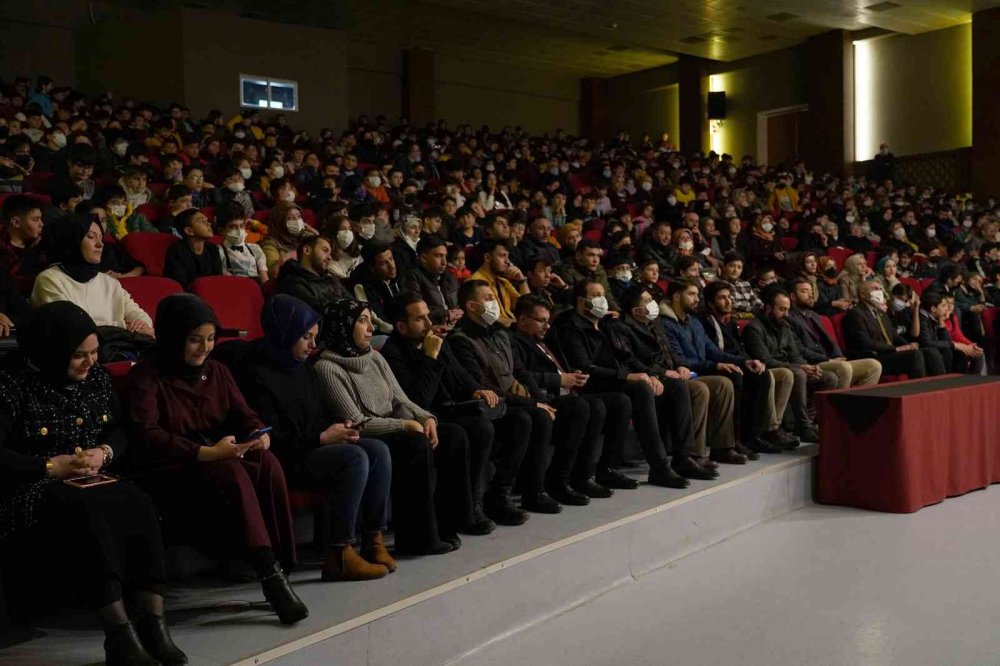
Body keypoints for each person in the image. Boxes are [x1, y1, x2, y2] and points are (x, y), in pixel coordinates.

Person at [0, 302, 187, 666]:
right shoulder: (10, 384)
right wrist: (52, 466)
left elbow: (119, 430)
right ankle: (118, 632)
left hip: (90, 474)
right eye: (78, 356)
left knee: (138, 502)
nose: (90, 363)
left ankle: (153, 620)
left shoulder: (96, 377)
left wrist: (104, 452)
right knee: (88, 512)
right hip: (30, 485)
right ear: (51, 352)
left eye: (94, 353)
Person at [127, 294, 307, 625]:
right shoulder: (147, 376)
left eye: (210, 339)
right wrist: (207, 453)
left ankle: (283, 565)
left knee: (267, 464)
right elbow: (148, 436)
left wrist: (258, 433)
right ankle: (270, 576)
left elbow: (246, 415)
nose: (204, 348)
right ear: (173, 337)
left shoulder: (219, 371)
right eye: (194, 340)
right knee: (229, 470)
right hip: (169, 467)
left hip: (217, 456)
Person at [230, 295, 395, 581]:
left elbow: (314, 414)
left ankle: (373, 538)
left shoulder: (301, 366)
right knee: (354, 457)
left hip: (312, 444)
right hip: (286, 457)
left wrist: (339, 428)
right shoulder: (255, 374)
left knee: (377, 450)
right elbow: (272, 437)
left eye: (314, 337)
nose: (313, 345)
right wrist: (321, 437)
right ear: (286, 332)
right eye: (306, 336)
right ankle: (339, 552)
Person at [314, 299, 474, 554]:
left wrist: (426, 418)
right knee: (415, 444)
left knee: (452, 434)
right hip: (371, 434)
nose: (370, 328)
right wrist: (406, 424)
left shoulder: (374, 358)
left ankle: (447, 523)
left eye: (370, 321)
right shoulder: (327, 368)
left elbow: (402, 398)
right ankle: (416, 538)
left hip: (395, 425)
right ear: (343, 327)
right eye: (362, 321)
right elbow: (357, 422)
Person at [379, 294, 509, 527]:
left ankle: (479, 502)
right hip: (420, 418)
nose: (429, 324)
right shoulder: (392, 353)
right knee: (470, 431)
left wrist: (475, 391)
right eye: (420, 319)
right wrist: (430, 358)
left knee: (502, 421)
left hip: (447, 410)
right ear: (401, 326)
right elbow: (416, 402)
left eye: (428, 316)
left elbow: (460, 377)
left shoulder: (436, 341)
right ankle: (461, 510)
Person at [550, 279, 690, 489]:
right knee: (637, 392)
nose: (602, 300)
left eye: (603, 294)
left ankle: (682, 456)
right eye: (596, 295)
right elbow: (586, 368)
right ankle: (659, 467)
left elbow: (624, 355)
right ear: (581, 301)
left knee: (676, 386)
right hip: (592, 385)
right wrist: (627, 376)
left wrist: (647, 373)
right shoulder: (569, 327)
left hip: (615, 380)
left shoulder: (606, 324)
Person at [449, 280, 564, 512]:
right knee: (528, 418)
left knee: (559, 410)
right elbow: (484, 387)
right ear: (471, 306)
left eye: (494, 297)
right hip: (490, 405)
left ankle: (537, 490)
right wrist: (534, 403)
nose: (494, 303)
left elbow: (520, 371)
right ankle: (499, 494)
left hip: (514, 399)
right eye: (488, 298)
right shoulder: (460, 340)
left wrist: (539, 397)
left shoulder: (500, 332)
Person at [663, 280, 797, 456]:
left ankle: (752, 437)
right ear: (676, 296)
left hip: (705, 367)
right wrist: (717, 365)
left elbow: (713, 351)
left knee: (758, 374)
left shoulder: (693, 322)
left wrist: (744, 362)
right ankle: (730, 442)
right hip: (690, 372)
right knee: (733, 377)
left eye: (697, 295)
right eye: (692, 294)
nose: (697, 299)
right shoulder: (666, 324)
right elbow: (681, 361)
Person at [614, 285, 743, 465]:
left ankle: (722, 447)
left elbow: (669, 351)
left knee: (723, 383)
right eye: (648, 301)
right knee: (699, 389)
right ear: (635, 309)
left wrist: (680, 365)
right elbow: (631, 360)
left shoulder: (655, 322)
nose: (654, 304)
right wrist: (663, 372)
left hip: (674, 372)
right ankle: (693, 453)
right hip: (653, 376)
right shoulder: (623, 327)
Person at [511, 295, 621, 503]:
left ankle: (584, 474)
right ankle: (558, 480)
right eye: (541, 320)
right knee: (579, 407)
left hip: (565, 393)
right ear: (523, 319)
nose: (547, 325)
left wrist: (573, 376)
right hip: (542, 396)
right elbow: (522, 375)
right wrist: (560, 379)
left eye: (548, 320)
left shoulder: (544, 342)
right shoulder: (514, 342)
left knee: (606, 403)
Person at [31, 214, 155, 360]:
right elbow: (74, 325)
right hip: (78, 357)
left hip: (120, 347)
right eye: (91, 237)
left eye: (101, 237)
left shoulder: (108, 281)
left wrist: (140, 324)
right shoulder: (50, 279)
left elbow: (138, 314)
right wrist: (125, 326)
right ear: (72, 240)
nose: (100, 244)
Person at [743, 288, 838, 441]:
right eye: (781, 309)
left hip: (791, 368)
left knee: (828, 377)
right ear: (768, 308)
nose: (786, 314)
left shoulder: (784, 325)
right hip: (770, 371)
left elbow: (795, 355)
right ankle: (802, 426)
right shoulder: (754, 328)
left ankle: (811, 420)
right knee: (799, 373)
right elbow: (765, 360)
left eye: (787, 309)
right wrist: (799, 367)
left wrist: (808, 367)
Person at [786, 277, 882, 389]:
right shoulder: (789, 318)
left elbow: (831, 341)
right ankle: (840, 405)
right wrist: (828, 360)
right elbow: (799, 349)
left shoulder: (814, 316)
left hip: (831, 360)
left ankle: (860, 403)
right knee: (843, 367)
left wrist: (839, 356)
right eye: (804, 291)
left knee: (873, 365)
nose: (810, 295)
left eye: (811, 291)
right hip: (813, 363)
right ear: (792, 297)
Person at [842, 280, 946, 378]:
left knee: (930, 352)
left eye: (880, 289)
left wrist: (908, 345)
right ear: (863, 294)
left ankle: (941, 389)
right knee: (914, 355)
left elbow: (893, 335)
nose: (879, 291)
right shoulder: (855, 314)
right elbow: (865, 342)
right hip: (874, 357)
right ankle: (920, 392)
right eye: (875, 289)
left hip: (889, 353)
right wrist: (895, 349)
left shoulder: (881, 313)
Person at [275, 235, 349, 312]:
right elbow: (320, 312)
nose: (329, 257)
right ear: (307, 250)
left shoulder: (331, 280)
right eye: (325, 250)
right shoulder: (292, 281)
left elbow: (354, 304)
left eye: (330, 254)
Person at [403, 236, 462, 327]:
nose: (444, 262)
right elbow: (417, 310)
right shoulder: (412, 277)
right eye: (438, 256)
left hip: (455, 326)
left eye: (445, 256)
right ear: (424, 258)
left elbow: (460, 303)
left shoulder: (449, 276)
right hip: (431, 328)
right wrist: (446, 314)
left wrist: (460, 312)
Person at [468, 238, 529, 327]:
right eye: (502, 256)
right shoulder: (475, 282)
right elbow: (487, 318)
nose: (507, 262)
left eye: (507, 256)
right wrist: (516, 324)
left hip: (511, 329)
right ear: (487, 257)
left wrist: (522, 281)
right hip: (496, 333)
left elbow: (527, 308)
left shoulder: (503, 281)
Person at [555, 239, 621, 313]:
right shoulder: (567, 271)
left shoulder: (599, 270)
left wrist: (617, 312)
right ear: (578, 256)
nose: (595, 260)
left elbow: (607, 295)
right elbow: (573, 300)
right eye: (591, 255)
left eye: (598, 256)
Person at [163, 208, 223, 289]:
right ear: (189, 231)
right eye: (202, 221)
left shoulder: (213, 249)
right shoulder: (177, 250)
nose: (209, 224)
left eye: (207, 220)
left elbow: (218, 279)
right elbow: (178, 284)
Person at [351, 241, 402, 332]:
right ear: (372, 268)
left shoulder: (402, 276)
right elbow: (379, 321)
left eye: (391, 259)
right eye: (384, 263)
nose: (392, 266)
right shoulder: (362, 286)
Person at [0, 194, 47, 286]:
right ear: (16, 222)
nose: (41, 224)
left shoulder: (41, 244)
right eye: (36, 219)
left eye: (41, 219)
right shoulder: (3, 252)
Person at [260, 201, 311, 278]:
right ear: (280, 222)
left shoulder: (305, 236)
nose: (297, 221)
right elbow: (273, 273)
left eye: (299, 216)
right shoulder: (270, 244)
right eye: (291, 218)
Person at [220, 211, 269, 284]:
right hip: (235, 286)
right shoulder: (218, 251)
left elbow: (264, 277)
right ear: (222, 231)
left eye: (241, 226)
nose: (239, 230)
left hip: (256, 286)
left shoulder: (255, 248)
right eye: (232, 227)